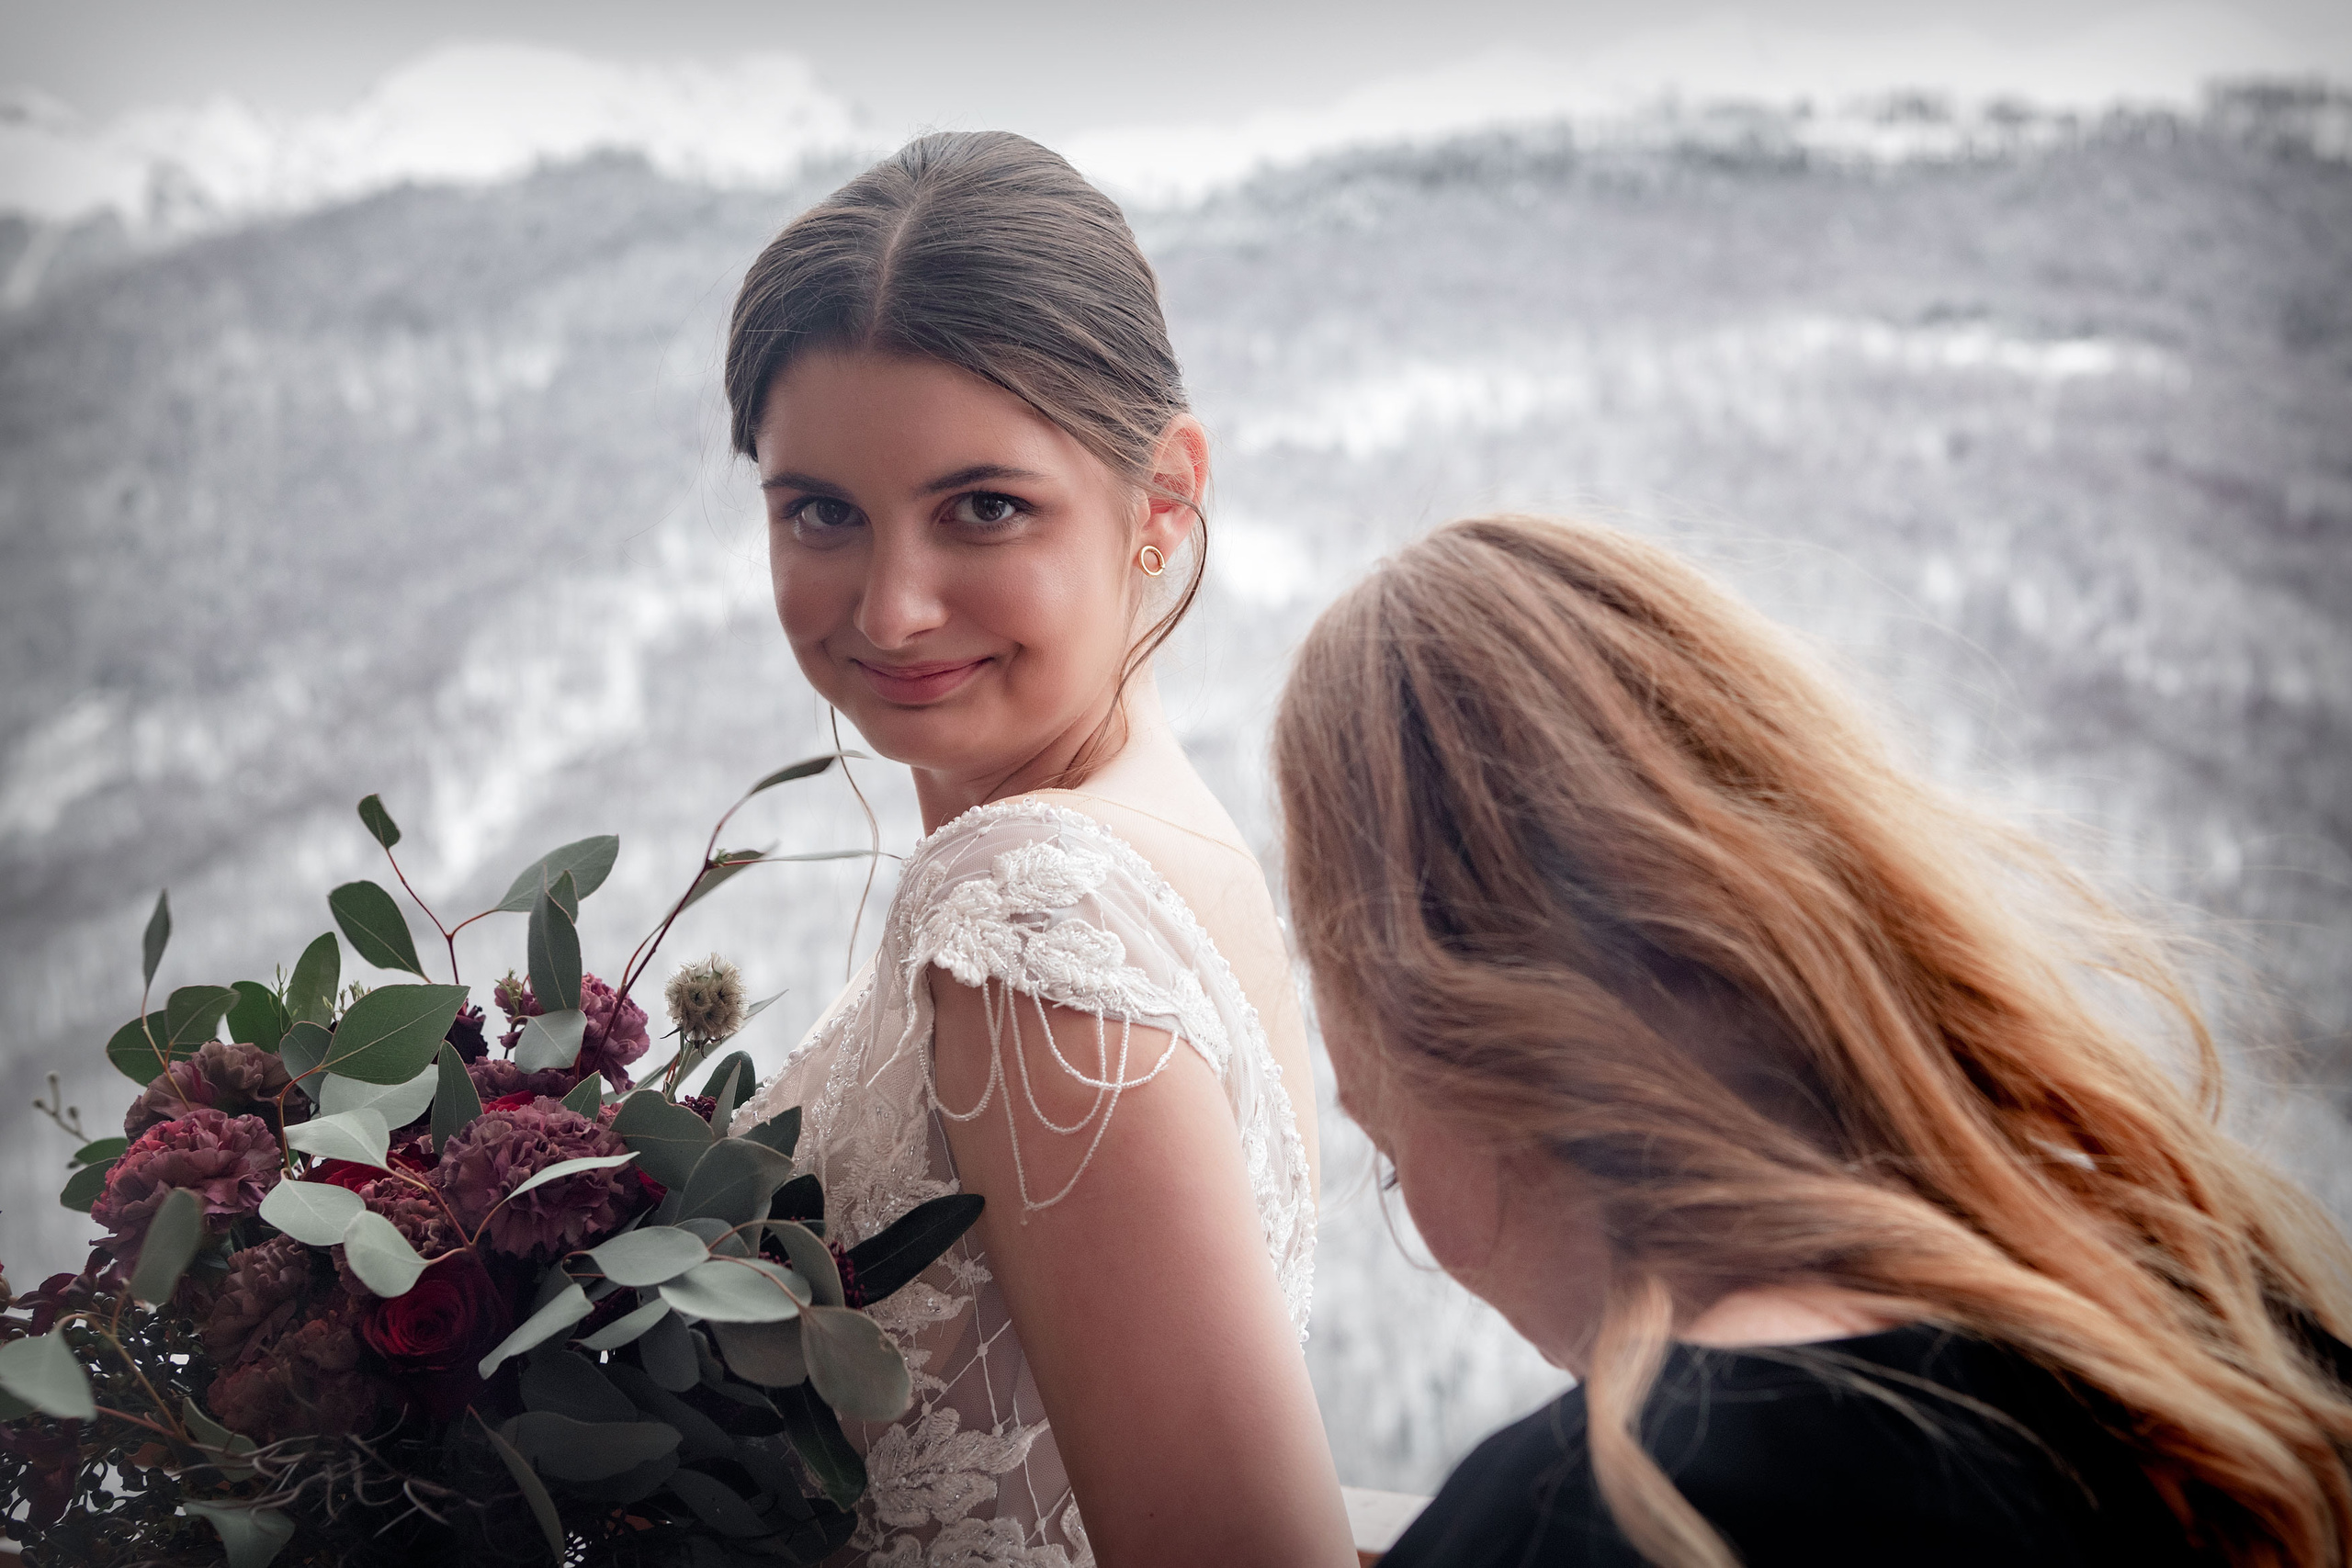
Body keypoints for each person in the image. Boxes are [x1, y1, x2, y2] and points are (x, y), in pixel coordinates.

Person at [1273, 514, 2352, 1567]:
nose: (1414, 1199)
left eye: (1389, 1153)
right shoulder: (2233, 1335)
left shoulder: (1593, 1520)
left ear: (1475, 1054)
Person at [721, 132, 1354, 1568]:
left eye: (985, 508)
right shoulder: (1155, 820)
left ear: (1163, 501)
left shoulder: (1025, 903)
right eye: (821, 510)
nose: (891, 609)